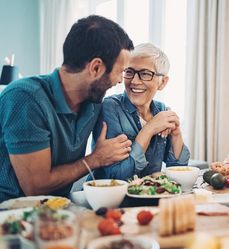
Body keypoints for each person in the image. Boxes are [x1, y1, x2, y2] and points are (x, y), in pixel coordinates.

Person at [0, 15, 134, 202]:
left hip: (59, 209)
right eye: (120, 71)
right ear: (96, 68)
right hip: (11, 214)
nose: (121, 80)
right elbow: (35, 186)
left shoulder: (94, 101)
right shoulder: (25, 98)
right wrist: (95, 159)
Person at [92, 43, 190, 180]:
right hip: (108, 198)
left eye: (145, 74)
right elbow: (117, 177)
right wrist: (149, 129)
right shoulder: (110, 107)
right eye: (129, 72)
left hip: (148, 198)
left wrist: (176, 134)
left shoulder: (161, 111)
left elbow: (178, 171)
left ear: (162, 82)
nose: (134, 81)